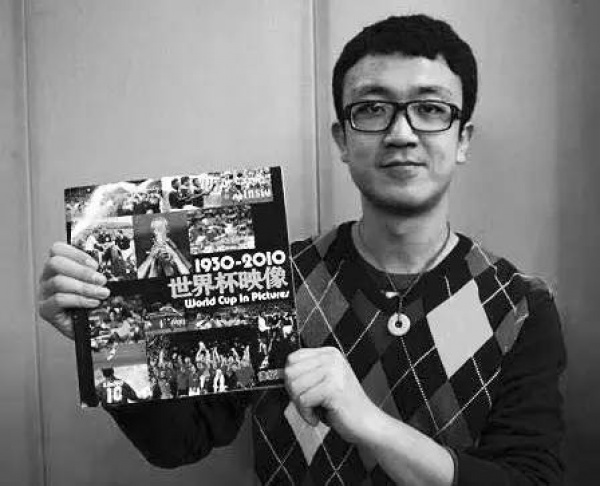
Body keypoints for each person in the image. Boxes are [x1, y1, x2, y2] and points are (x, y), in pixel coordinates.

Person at [37, 14, 566, 485]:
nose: (402, 133)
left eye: (430, 109)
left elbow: (529, 478)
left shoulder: (519, 306)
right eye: (372, 108)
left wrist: (369, 423)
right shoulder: (274, 278)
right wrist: (105, 338)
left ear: (463, 138)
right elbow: (179, 444)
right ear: (342, 139)